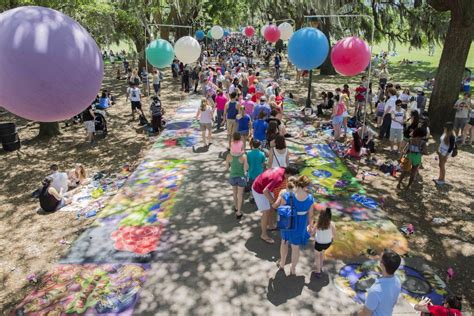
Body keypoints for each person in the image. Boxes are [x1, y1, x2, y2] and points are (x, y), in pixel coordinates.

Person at [273, 176, 314, 275]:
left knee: (284, 242)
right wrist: (311, 226)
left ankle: (282, 264)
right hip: (300, 225)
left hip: (288, 223)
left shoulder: (287, 195)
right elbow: (311, 215)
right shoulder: (310, 198)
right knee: (296, 248)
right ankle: (293, 268)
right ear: (305, 186)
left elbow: (282, 210)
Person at [252, 166, 299, 244]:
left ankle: (270, 226)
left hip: (264, 184)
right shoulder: (278, 179)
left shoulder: (284, 169)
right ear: (288, 174)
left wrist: (273, 203)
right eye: (292, 177)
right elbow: (265, 191)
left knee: (270, 208)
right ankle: (263, 235)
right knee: (266, 212)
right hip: (259, 189)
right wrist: (273, 202)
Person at [358, 249, 401, 316]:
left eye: (380, 259)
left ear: (382, 265)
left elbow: (366, 314)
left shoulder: (375, 290)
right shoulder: (397, 281)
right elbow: (393, 303)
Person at [225, 132, 248, 220]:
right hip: (241, 177)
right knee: (240, 195)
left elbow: (226, 168)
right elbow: (246, 168)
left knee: (234, 193)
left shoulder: (228, 156)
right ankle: (239, 212)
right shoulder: (244, 156)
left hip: (232, 176)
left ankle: (235, 207)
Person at [311, 207, 336, 277]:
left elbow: (312, 233)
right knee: (322, 253)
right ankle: (321, 267)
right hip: (327, 243)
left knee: (317, 256)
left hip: (319, 243)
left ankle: (318, 271)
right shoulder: (332, 224)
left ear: (320, 216)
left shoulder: (318, 223)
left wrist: (308, 230)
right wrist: (332, 239)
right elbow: (334, 234)